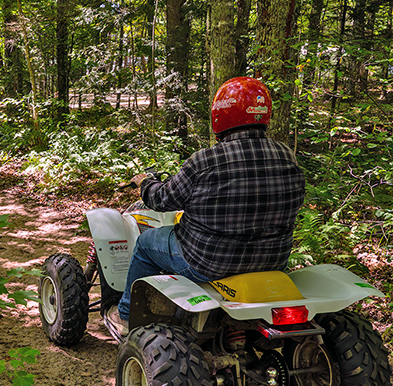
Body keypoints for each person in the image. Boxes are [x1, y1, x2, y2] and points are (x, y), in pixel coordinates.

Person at [106, 76, 306, 336]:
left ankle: (124, 317)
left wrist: (146, 183)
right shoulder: (286, 156)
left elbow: (162, 200)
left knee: (145, 244)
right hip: (272, 261)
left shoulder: (206, 160)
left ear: (220, 115)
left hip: (208, 262)